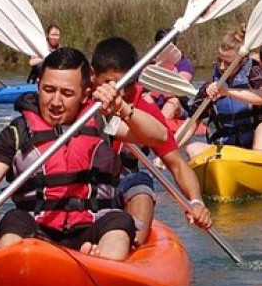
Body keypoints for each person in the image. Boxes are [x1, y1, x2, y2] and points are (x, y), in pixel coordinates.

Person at [0, 47, 165, 260]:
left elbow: (159, 136)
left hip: (94, 225)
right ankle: (13, 270)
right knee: (12, 221)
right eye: (49, 90)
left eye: (67, 93)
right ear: (38, 85)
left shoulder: (103, 122)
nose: (56, 102)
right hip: (37, 228)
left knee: (119, 223)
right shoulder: (18, 132)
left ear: (85, 94)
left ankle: (104, 266)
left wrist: (122, 108)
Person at [91, 37, 212, 246]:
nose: (118, 93)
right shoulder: (79, 95)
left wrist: (196, 201)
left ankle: (131, 245)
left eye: (126, 85)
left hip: (121, 182)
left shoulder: (143, 107)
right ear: (93, 75)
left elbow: (177, 165)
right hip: (82, 181)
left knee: (141, 186)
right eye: (109, 83)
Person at [185, 24, 262, 158]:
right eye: (219, 60)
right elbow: (190, 123)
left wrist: (227, 92)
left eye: (228, 63)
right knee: (192, 148)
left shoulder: (254, 72)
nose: (222, 67)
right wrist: (168, 153)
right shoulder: (210, 86)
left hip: (258, 145)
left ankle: (258, 173)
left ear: (242, 61)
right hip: (229, 149)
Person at [151, 27, 195, 122]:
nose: (163, 50)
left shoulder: (184, 65)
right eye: (159, 47)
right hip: (155, 105)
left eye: (166, 47)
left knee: (173, 101)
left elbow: (177, 88)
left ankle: (157, 128)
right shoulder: (149, 64)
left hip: (178, 108)